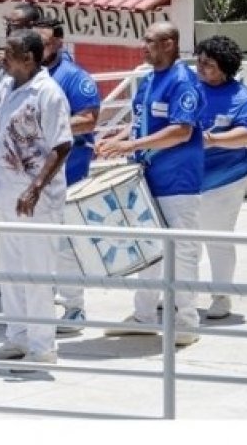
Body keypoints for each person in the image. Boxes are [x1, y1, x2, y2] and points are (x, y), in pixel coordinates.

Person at [0, 31, 72, 371]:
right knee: (12, 271)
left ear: (30, 58)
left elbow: (62, 145)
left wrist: (35, 187)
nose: (0, 57)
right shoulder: (6, 87)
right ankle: (18, 336)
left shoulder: (48, 93)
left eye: (8, 52)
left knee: (37, 273)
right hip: (7, 196)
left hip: (36, 201)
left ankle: (42, 348)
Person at [96, 22, 204, 346]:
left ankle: (187, 322)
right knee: (148, 250)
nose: (144, 45)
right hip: (146, 180)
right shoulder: (146, 80)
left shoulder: (183, 81)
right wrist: (118, 138)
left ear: (170, 44)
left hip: (178, 182)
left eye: (151, 41)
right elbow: (141, 122)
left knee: (182, 252)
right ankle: (144, 317)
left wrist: (130, 146)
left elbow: (181, 131)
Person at [30, 19, 102, 333]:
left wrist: (47, 125)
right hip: (32, 175)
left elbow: (88, 119)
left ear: (59, 42)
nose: (38, 49)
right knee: (39, 244)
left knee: (65, 244)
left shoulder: (74, 77)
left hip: (68, 173)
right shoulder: (26, 75)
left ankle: (75, 307)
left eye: (44, 43)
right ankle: (44, 303)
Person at [0, 1, 48, 300]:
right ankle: (17, 330)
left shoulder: (48, 82)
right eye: (7, 26)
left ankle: (42, 335)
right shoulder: (6, 75)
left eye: (15, 27)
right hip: (6, 177)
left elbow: (61, 140)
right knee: (12, 255)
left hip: (34, 180)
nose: (8, 31)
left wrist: (37, 186)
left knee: (37, 260)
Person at [194, 35, 247, 320]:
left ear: (225, 68)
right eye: (198, 61)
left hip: (224, 178)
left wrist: (212, 139)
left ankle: (221, 297)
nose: (199, 67)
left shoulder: (241, 99)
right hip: (186, 178)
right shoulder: (189, 87)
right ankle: (181, 292)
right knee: (183, 240)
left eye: (207, 64)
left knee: (217, 237)